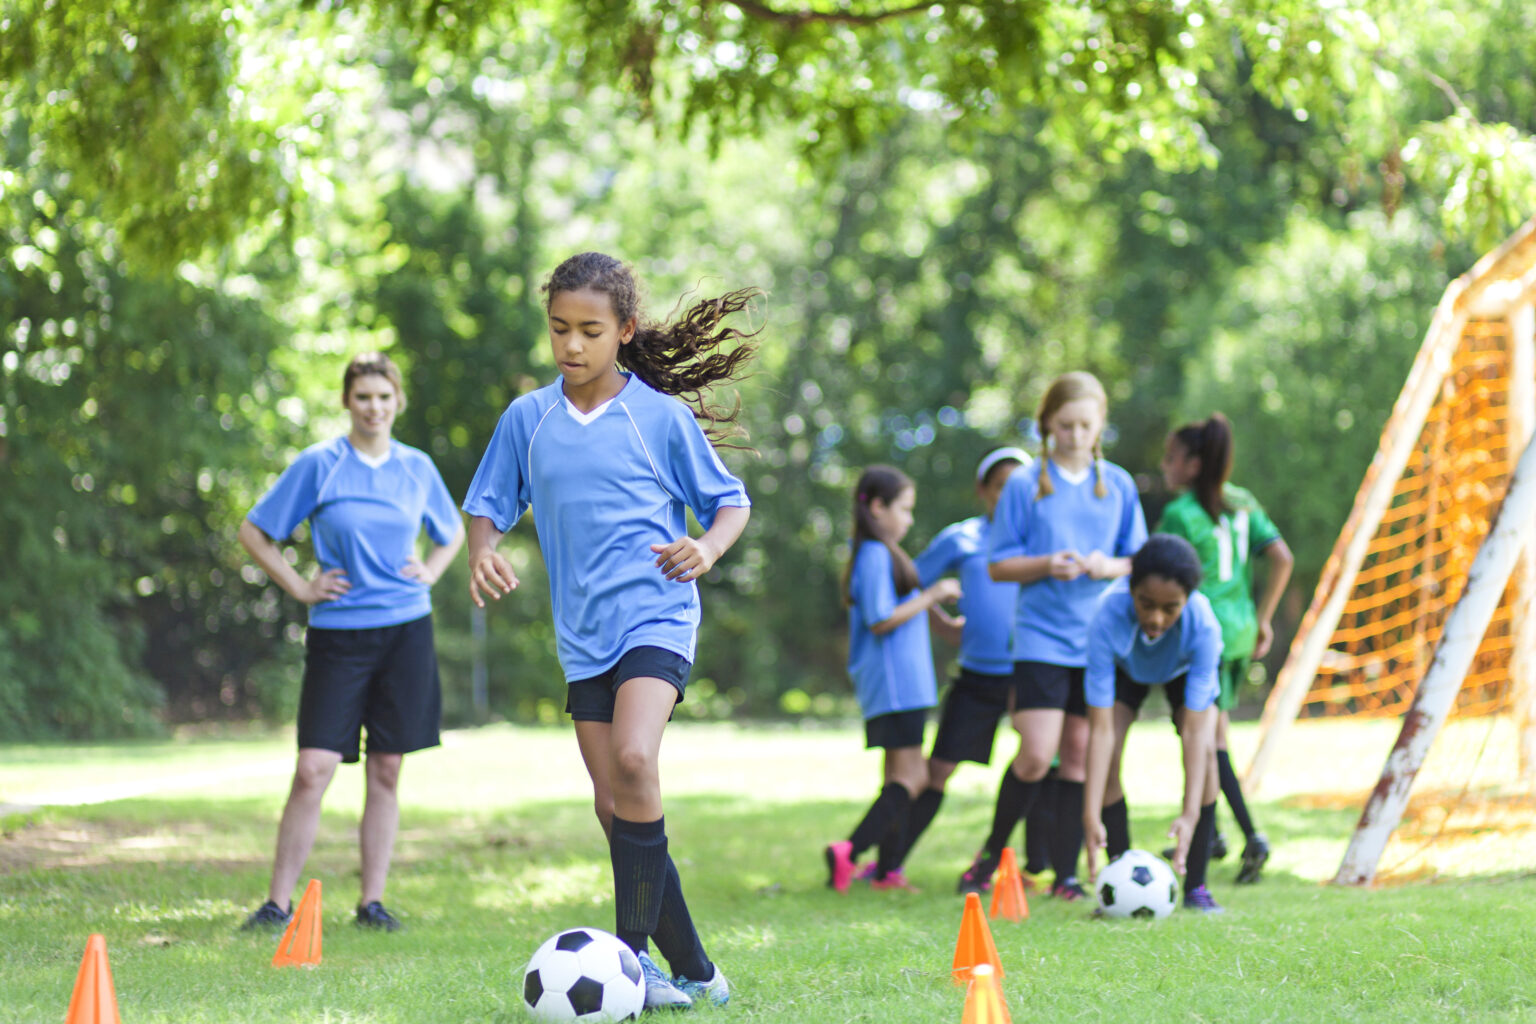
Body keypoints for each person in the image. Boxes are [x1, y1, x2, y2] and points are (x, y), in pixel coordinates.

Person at [462, 252, 756, 1010]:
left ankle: (631, 962)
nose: (571, 345)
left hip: (657, 617)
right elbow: (488, 503)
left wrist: (707, 547)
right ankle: (692, 963)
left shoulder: (658, 417)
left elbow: (730, 504)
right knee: (612, 802)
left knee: (633, 760)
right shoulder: (529, 419)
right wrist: (484, 550)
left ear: (624, 331)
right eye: (559, 328)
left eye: (590, 330)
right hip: (583, 635)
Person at [237, 352, 464, 933]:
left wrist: (432, 572)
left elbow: (452, 530)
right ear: (347, 401)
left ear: (398, 402)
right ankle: (276, 905)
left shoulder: (416, 467)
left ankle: (372, 904)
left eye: (384, 397)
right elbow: (255, 531)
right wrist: (300, 586)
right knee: (313, 768)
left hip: (406, 632)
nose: (374, 408)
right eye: (363, 397)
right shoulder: (321, 465)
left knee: (387, 768)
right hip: (339, 635)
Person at [957, 371, 1147, 901]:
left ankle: (1066, 875)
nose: (1076, 435)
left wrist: (1103, 566)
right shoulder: (1023, 483)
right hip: (1041, 636)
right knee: (1038, 753)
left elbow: (1137, 559)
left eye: (1086, 425)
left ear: (1100, 425)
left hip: (1099, 638)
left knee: (1082, 753)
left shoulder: (1121, 486)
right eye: (1066, 425)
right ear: (1047, 425)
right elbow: (999, 566)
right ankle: (990, 856)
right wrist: (1047, 565)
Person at [880, 447, 1032, 878]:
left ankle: (1015, 864)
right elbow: (908, 585)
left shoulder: (1040, 541)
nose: (1009, 495)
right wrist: (942, 623)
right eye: (1001, 485)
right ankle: (889, 865)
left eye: (1019, 486)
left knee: (1042, 761)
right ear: (983, 490)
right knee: (938, 770)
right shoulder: (961, 538)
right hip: (978, 676)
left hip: (1032, 671)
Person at [1158, 413, 1293, 883]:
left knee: (1204, 737)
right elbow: (1282, 557)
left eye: (1171, 457)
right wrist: (1262, 618)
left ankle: (1248, 836)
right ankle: (1212, 834)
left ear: (1194, 464)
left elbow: (1164, 576)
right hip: (1237, 633)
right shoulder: (1242, 503)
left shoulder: (1180, 513)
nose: (1164, 465)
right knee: (1208, 734)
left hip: (1201, 636)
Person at [824, 465, 961, 893]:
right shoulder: (874, 554)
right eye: (904, 508)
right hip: (897, 684)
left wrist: (939, 616)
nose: (909, 518)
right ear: (878, 507)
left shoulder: (881, 552)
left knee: (896, 779)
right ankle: (849, 849)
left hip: (900, 684)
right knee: (914, 779)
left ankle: (885, 872)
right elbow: (881, 618)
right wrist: (933, 594)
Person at [1081, 534, 1225, 912]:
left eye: (1170, 608)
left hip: (1181, 668)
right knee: (1109, 755)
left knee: (1208, 757)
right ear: (1130, 589)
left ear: (1187, 601)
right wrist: (1090, 812)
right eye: (1146, 604)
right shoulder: (1106, 616)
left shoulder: (1203, 626)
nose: (1156, 618)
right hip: (1127, 668)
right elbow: (1099, 731)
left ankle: (1195, 886)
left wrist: (1189, 813)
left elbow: (1195, 732)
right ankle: (1119, 879)